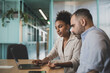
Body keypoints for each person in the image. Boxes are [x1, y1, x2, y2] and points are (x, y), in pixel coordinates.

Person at [70, 8, 110, 73]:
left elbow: (93, 71)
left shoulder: (94, 36)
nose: (72, 30)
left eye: (73, 26)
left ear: (83, 22)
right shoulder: (89, 36)